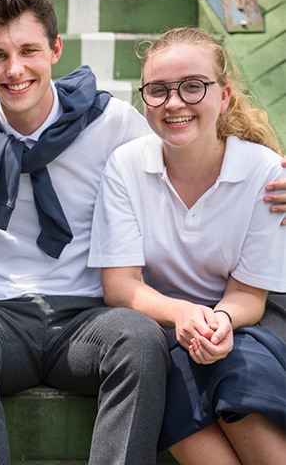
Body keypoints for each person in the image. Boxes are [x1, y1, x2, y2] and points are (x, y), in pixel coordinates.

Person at [89, 27, 286, 464]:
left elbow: (249, 295)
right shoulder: (126, 166)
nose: (174, 102)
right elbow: (120, 286)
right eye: (158, 90)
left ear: (225, 96)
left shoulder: (265, 174)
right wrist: (183, 315)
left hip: (246, 320)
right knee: (164, 375)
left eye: (192, 86)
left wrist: (217, 321)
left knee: (239, 370)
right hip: (165, 323)